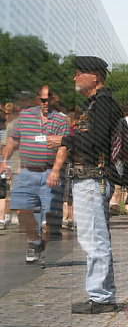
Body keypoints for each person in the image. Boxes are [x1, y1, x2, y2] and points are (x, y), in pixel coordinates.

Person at [50, 56, 128, 314]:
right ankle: (102, 294)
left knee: (93, 238)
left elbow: (95, 142)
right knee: (95, 237)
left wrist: (63, 139)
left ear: (94, 76)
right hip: (91, 178)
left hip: (94, 177)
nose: (74, 77)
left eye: (78, 73)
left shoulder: (103, 104)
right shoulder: (95, 103)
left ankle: (101, 297)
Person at [0, 86, 69, 263]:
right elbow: (13, 140)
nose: (46, 104)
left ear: (54, 100)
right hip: (26, 172)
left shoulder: (61, 121)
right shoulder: (25, 117)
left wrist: (55, 171)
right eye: (42, 100)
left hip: (49, 171)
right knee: (20, 209)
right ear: (38, 99)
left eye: (49, 100)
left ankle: (43, 247)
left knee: (49, 216)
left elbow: (63, 148)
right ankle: (34, 241)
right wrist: (4, 163)